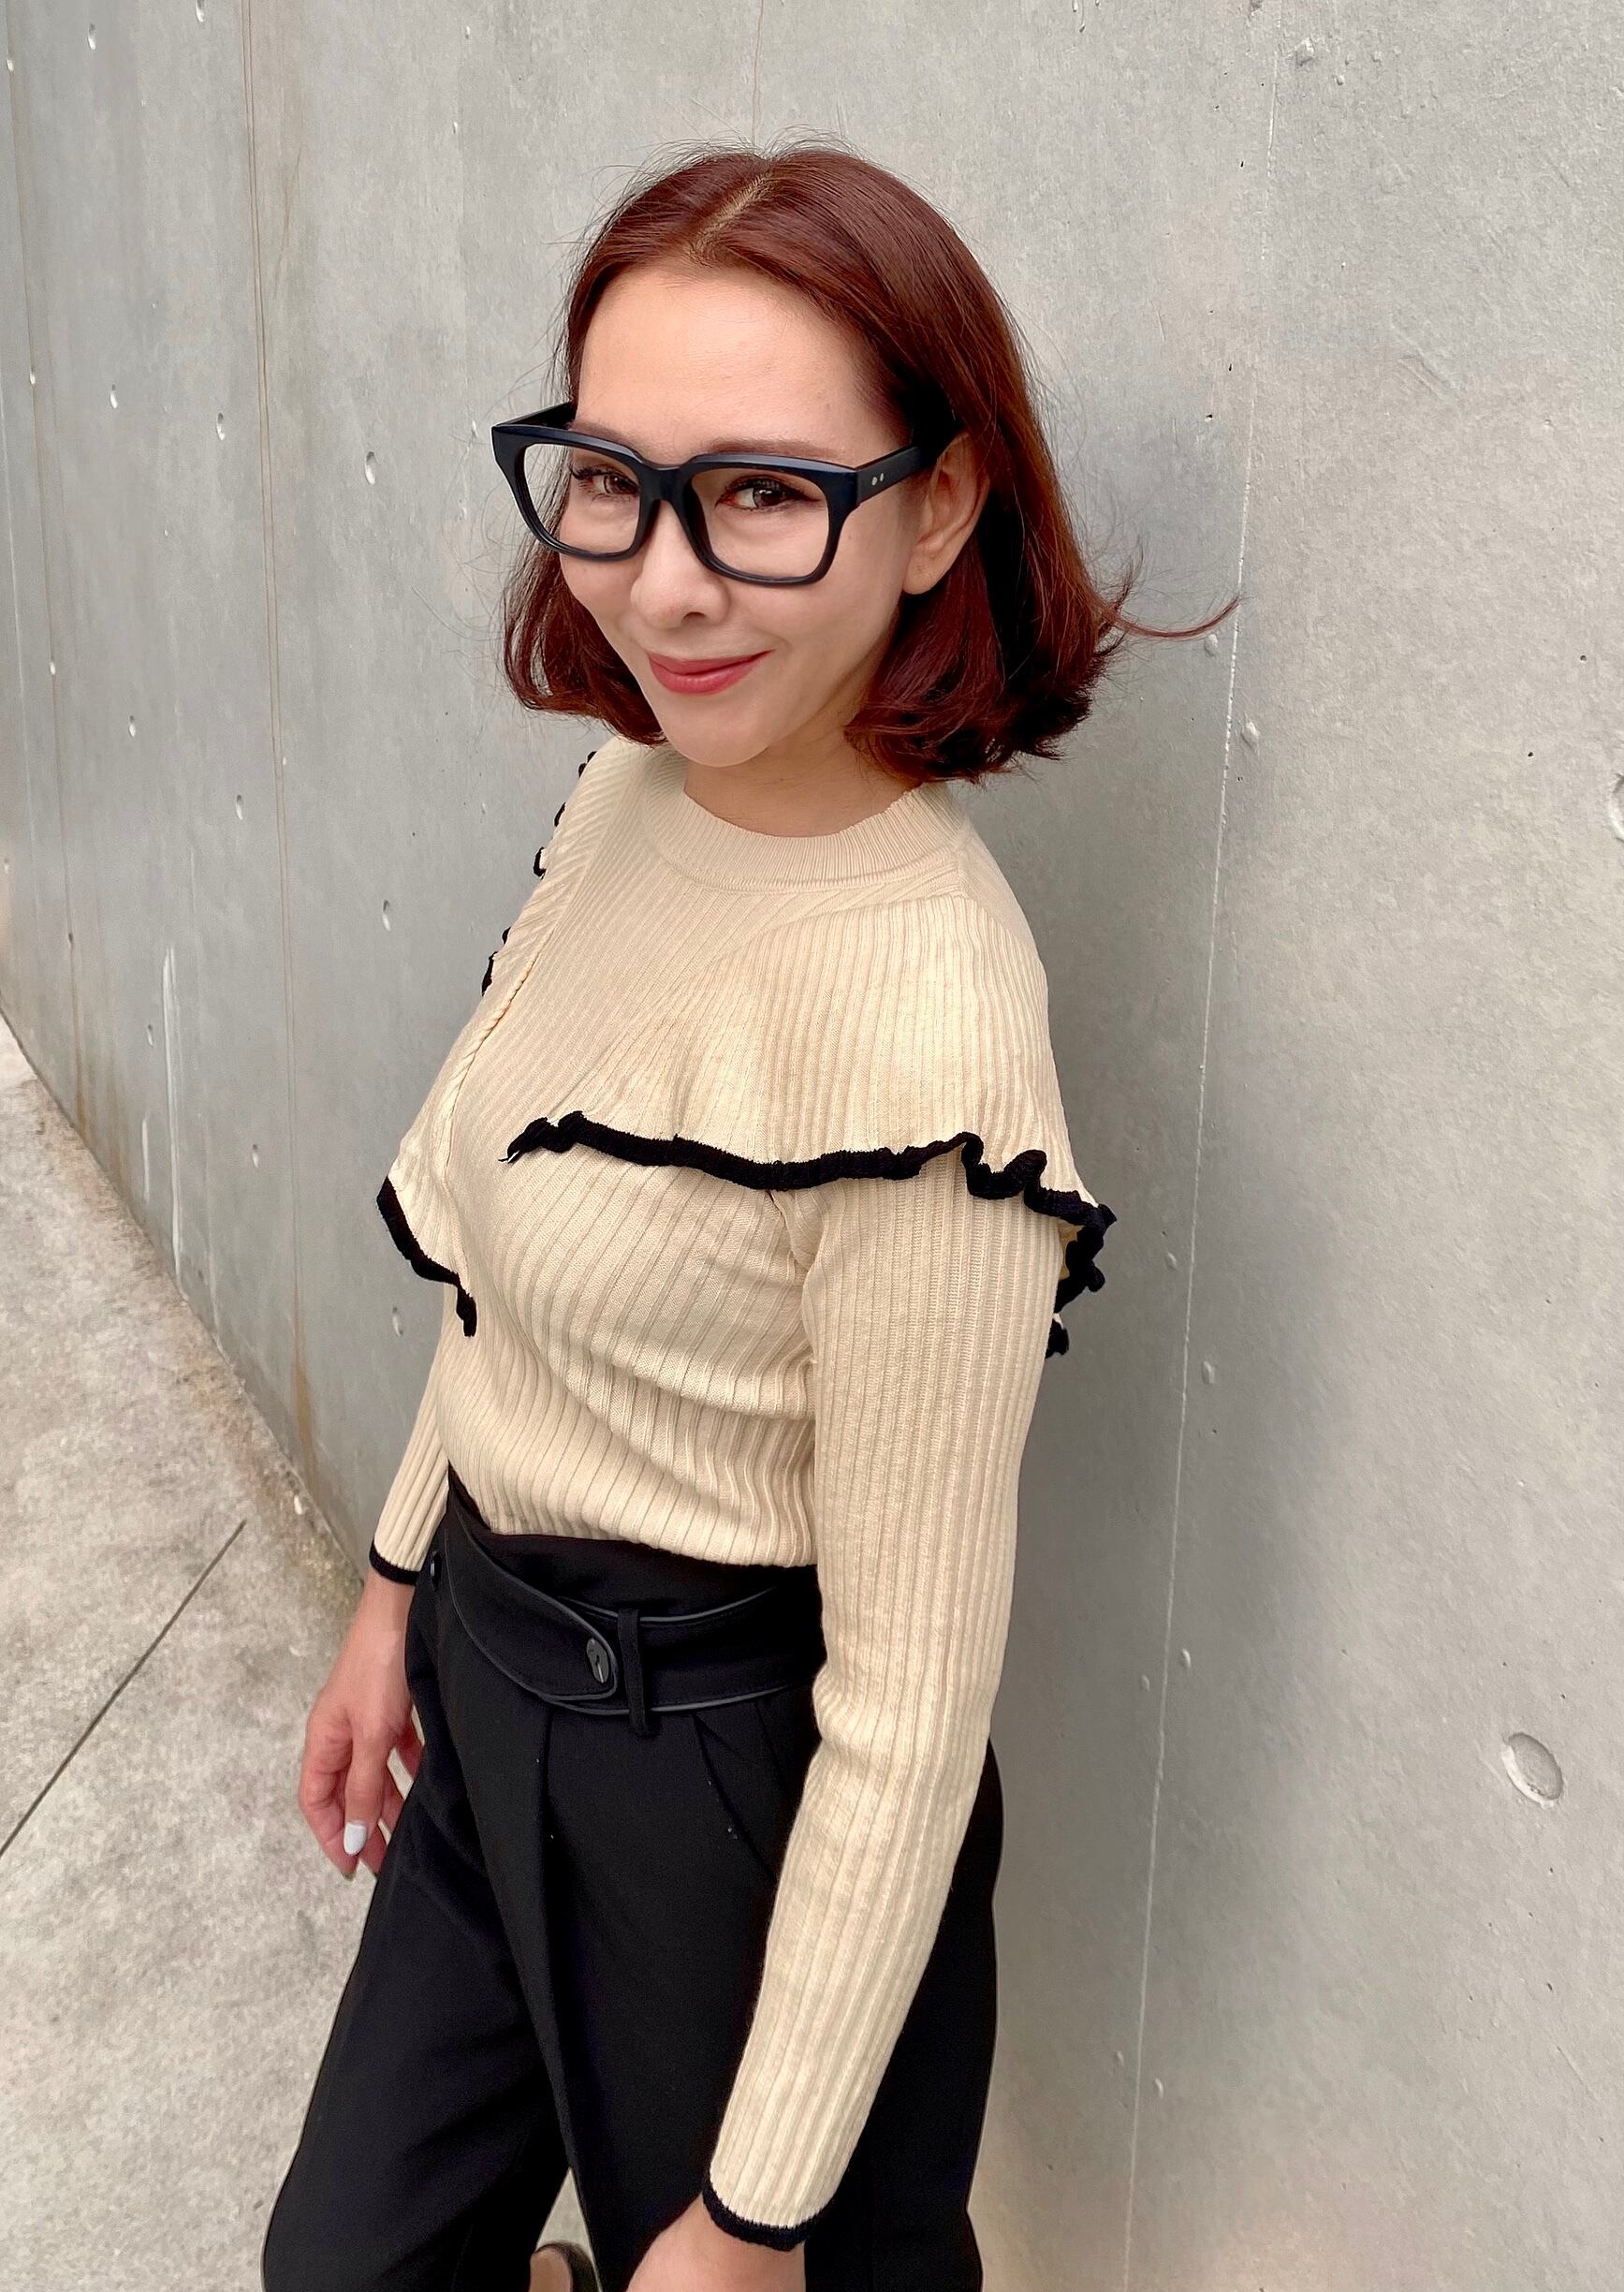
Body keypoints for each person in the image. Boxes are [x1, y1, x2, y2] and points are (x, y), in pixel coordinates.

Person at [261, 139, 1229, 2292]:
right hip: (490, 1677)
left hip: (721, 1794)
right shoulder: (629, 795)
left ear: (938, 508)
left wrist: (753, 2211)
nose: (665, 585)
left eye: (765, 495)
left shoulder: (925, 1031)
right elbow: (510, 1272)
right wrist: (396, 1584)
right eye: (613, 483)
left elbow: (908, 1703)